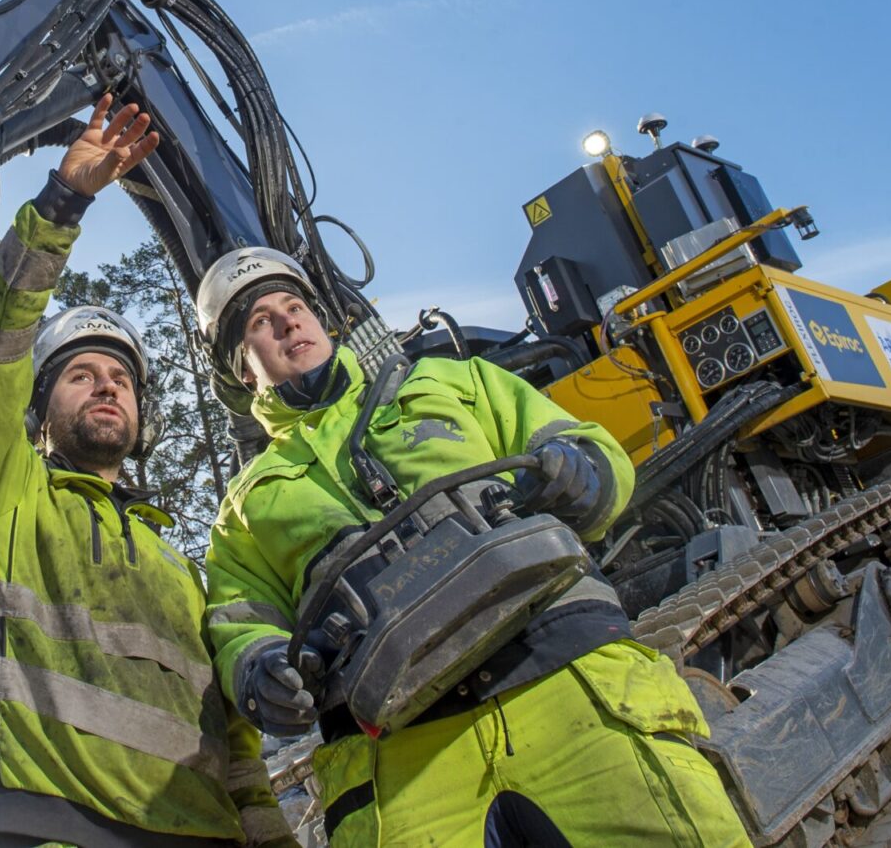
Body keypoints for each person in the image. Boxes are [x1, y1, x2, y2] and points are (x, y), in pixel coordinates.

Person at [196, 248, 753, 848]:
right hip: (405, 756)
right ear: (244, 371)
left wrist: (582, 471)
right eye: (260, 321)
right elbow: (241, 621)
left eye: (295, 306)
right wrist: (261, 669)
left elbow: (581, 442)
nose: (287, 323)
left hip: (570, 685)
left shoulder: (453, 381)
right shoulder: (246, 508)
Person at [0, 96, 298, 848]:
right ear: (38, 414)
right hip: (46, 824)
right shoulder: (6, 500)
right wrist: (62, 203)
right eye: (81, 375)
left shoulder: (180, 568)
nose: (107, 384)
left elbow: (235, 743)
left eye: (122, 377)